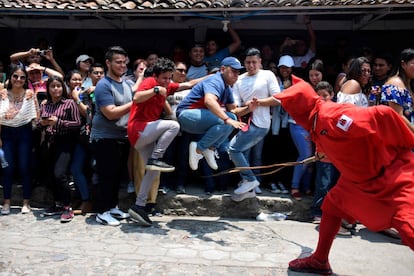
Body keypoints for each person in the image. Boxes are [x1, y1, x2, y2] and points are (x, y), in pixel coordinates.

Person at [274, 80, 414, 275]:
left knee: (407, 225)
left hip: (391, 176)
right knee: (332, 204)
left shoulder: (331, 116)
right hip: (358, 181)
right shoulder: (318, 121)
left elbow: (382, 114)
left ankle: (319, 259)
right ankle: (319, 260)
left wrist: (406, 141)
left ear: (298, 110)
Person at [127, 57, 206, 226]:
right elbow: (136, 97)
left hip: (146, 135)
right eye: (164, 78)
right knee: (173, 125)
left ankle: (139, 206)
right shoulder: (150, 81)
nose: (167, 81)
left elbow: (188, 84)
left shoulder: (168, 85)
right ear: (156, 76)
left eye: (169, 77)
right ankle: (156, 158)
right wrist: (155, 89)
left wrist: (214, 76)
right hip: (138, 129)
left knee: (154, 171)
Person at [227, 48, 280, 200]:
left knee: (235, 150)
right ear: (244, 63)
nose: (251, 65)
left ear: (260, 62)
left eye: (254, 62)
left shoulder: (268, 75)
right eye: (248, 62)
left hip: (261, 124)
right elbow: (235, 110)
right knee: (239, 152)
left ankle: (250, 180)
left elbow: (278, 99)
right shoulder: (239, 80)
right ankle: (247, 189)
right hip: (243, 123)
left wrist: (259, 103)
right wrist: (248, 108)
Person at [176, 57, 245, 172]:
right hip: (187, 115)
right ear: (223, 69)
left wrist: (250, 107)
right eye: (233, 71)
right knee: (228, 120)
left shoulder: (226, 87)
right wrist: (227, 119)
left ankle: (210, 148)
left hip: (198, 119)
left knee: (231, 119)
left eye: (238, 72)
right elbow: (209, 101)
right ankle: (198, 148)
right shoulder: (215, 80)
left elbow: (234, 111)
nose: (236, 75)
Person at [90, 46, 132, 226]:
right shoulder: (103, 85)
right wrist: (134, 103)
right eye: (118, 62)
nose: (122, 65)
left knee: (116, 176)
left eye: (124, 62)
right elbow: (110, 113)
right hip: (104, 137)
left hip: (122, 137)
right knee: (105, 176)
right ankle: (101, 211)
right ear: (108, 63)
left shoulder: (128, 84)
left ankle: (112, 206)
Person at [39, 76, 81, 223]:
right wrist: (42, 122)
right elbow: (38, 124)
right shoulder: (45, 104)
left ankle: (68, 206)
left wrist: (59, 122)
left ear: (63, 88)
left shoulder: (69, 103)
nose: (56, 89)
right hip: (49, 142)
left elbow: (77, 124)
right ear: (48, 89)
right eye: (52, 86)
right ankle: (57, 203)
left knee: (60, 174)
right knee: (50, 174)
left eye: (58, 86)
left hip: (65, 142)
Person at [0, 66, 38, 215]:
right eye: (15, 76)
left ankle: (26, 202)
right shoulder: (2, 94)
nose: (19, 80)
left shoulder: (29, 94)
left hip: (24, 132)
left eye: (22, 77)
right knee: (7, 167)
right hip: (6, 133)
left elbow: (35, 116)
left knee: (24, 167)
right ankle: (7, 201)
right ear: (10, 77)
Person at [70, 63, 105, 215]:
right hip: (83, 137)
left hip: (100, 137)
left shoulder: (106, 91)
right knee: (76, 168)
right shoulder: (84, 91)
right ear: (89, 75)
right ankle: (85, 200)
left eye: (101, 73)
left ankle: (97, 204)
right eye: (95, 73)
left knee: (96, 169)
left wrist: (77, 99)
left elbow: (88, 114)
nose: (98, 75)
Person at [310, 81, 340, 224]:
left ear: (332, 95)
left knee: (335, 186)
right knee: (323, 185)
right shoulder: (316, 114)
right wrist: (317, 152)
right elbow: (316, 137)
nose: (322, 99)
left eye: (325, 96)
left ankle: (332, 214)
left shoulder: (338, 111)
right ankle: (317, 212)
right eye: (319, 97)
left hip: (338, 157)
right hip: (324, 157)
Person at [379, 48, 414, 131]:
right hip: (395, 136)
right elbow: (398, 115)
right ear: (403, 64)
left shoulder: (409, 84)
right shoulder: (394, 83)